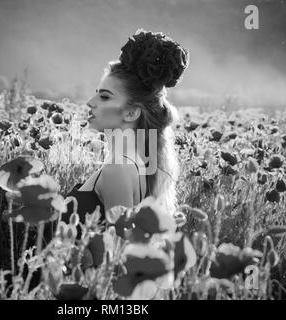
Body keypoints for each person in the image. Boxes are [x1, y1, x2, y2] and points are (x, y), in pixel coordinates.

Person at [62, 28, 190, 230]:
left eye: (104, 96)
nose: (90, 102)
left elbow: (118, 251)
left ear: (131, 113)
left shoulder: (117, 169)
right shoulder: (140, 163)